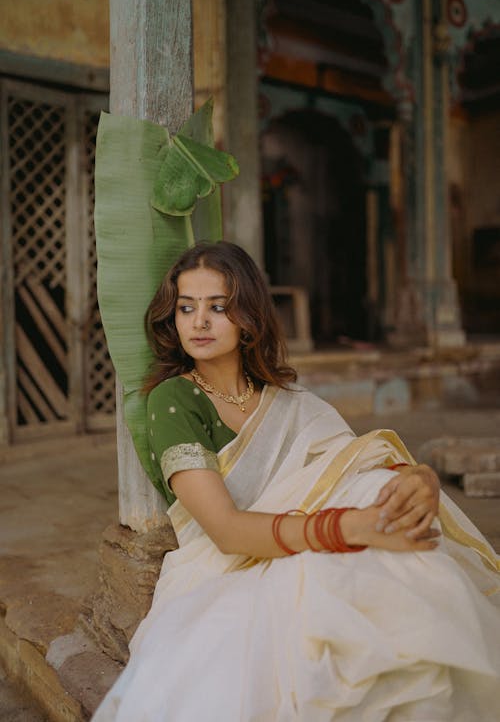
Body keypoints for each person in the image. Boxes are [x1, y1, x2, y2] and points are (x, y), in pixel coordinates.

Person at [92, 241, 500, 722]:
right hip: (233, 565)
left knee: (394, 526)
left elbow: (351, 466)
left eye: (218, 307)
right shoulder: (175, 401)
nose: (199, 322)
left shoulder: (284, 400)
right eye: (186, 308)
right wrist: (346, 529)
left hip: (316, 531)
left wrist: (418, 479)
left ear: (248, 317)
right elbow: (225, 531)